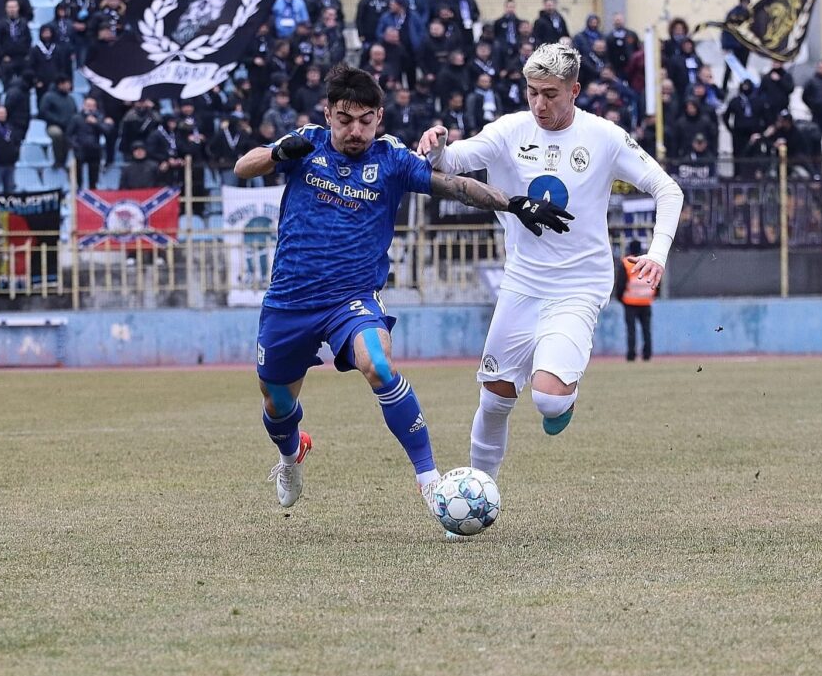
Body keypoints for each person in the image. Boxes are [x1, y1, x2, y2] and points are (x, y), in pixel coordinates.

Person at [232, 64, 572, 515]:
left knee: (378, 364)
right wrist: (277, 154)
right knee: (277, 403)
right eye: (345, 120)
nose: (356, 131)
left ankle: (431, 482)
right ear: (328, 114)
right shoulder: (307, 143)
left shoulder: (390, 159)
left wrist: (513, 203)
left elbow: (455, 186)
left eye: (365, 121)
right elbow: (242, 167)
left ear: (379, 117)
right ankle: (292, 453)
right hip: (289, 301)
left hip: (351, 299)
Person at [417, 42, 682, 482]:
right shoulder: (510, 130)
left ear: (574, 90)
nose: (539, 104)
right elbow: (453, 161)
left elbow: (667, 189)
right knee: (494, 398)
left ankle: (564, 398)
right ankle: (481, 492)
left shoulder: (604, 137)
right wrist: (437, 144)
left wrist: (657, 253)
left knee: (548, 400)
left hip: (579, 285)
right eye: (532, 92)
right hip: (522, 283)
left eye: (550, 94)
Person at [615, 239, 656, 362]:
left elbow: (620, 283)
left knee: (631, 331)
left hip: (630, 301)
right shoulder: (649, 262)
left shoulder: (626, 263)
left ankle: (631, 355)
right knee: (646, 330)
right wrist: (653, 295)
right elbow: (657, 279)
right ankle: (647, 354)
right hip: (646, 301)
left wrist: (620, 298)